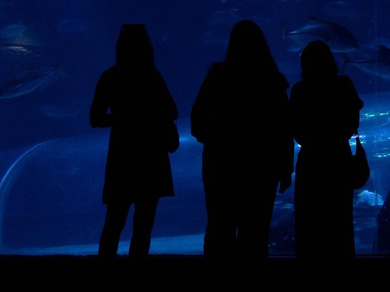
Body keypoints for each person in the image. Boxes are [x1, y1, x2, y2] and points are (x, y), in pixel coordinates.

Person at [190, 20, 293, 258]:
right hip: (261, 167)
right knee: (255, 234)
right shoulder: (272, 80)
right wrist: (285, 168)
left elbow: (197, 119)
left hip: (221, 165)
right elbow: (283, 128)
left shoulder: (218, 76)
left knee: (219, 229)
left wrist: (216, 140)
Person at [90, 24, 179, 258]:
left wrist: (122, 118)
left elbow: (95, 118)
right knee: (144, 225)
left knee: (114, 222)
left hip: (122, 154)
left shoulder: (110, 76)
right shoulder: (152, 75)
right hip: (151, 154)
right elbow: (172, 111)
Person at [290, 39, 364, 258]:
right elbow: (353, 124)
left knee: (309, 224)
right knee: (339, 222)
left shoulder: (299, 90)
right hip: (338, 159)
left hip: (310, 162)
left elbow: (295, 130)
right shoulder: (344, 84)